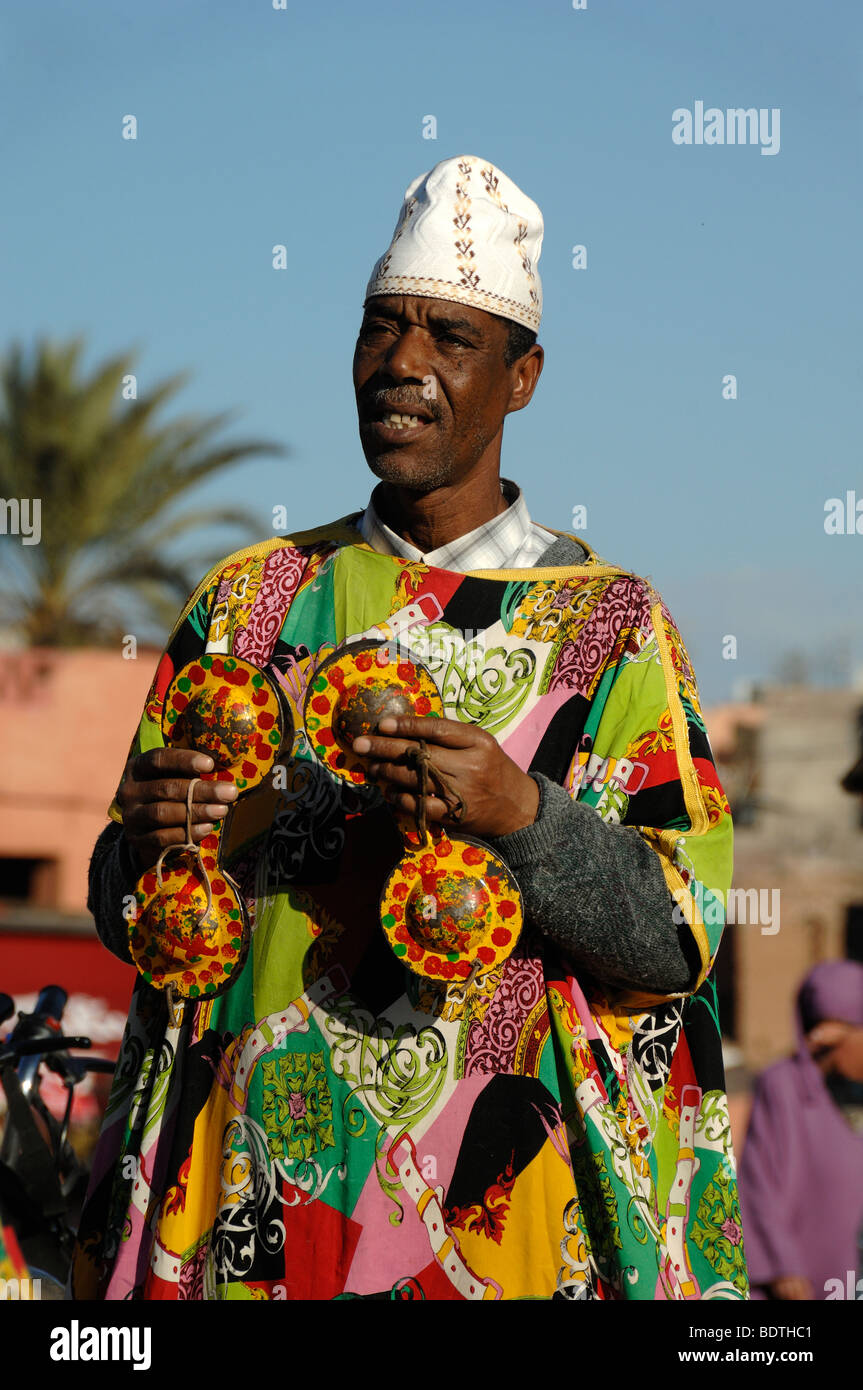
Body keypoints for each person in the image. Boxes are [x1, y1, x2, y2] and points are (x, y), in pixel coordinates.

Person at [73, 155, 744, 1301]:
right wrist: (142, 844)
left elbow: (677, 936)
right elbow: (125, 909)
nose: (401, 364)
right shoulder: (248, 604)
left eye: (449, 337)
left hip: (505, 1235)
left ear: (520, 376)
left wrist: (523, 818)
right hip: (256, 1210)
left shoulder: (611, 626)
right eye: (380, 330)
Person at [738, 964, 863, 1302]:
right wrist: (783, 1266)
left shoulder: (851, 1094)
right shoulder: (782, 1086)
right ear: (832, 1032)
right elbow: (758, 1182)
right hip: (794, 1282)